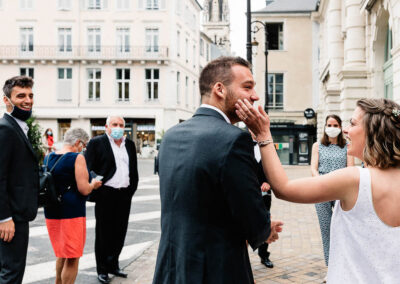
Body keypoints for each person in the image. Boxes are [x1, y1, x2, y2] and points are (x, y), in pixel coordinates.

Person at [236, 97, 400, 283]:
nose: (345, 129)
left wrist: (263, 135)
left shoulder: (355, 179)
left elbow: (284, 189)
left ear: (373, 131)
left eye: (352, 123)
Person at [153, 56, 283, 284]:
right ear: (220, 89)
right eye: (247, 87)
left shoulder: (171, 135)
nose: (255, 96)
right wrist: (265, 230)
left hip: (171, 269)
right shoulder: (234, 139)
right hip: (216, 270)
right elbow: (251, 216)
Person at [85, 116, 139, 284]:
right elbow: (87, 166)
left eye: (121, 125)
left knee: (119, 231)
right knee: (103, 233)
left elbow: (133, 169)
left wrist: (131, 189)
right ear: (107, 126)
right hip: (105, 194)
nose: (118, 127)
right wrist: (94, 182)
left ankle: (113, 265)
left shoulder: (129, 144)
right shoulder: (97, 142)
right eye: (114, 124)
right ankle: (102, 269)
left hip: (124, 194)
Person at [44, 128, 102, 284]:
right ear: (78, 142)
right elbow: (83, 189)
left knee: (62, 253)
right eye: (84, 145)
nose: (84, 149)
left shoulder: (48, 157)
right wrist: (93, 184)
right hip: (72, 213)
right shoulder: (77, 158)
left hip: (52, 211)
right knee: (72, 256)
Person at [0, 76, 39, 284]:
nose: (28, 100)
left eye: (31, 95)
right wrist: (4, 218)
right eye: (21, 96)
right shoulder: (5, 129)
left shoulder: (18, 126)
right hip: (11, 217)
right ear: (7, 100)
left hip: (17, 214)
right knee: (12, 273)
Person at [310, 115, 354, 270]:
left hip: (341, 192)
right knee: (326, 230)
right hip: (322, 191)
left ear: (341, 127)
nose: (332, 128)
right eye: (329, 125)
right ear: (325, 126)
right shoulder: (317, 146)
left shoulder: (347, 146)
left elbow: (350, 169)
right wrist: (321, 181)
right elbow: (313, 168)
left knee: (344, 229)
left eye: (335, 125)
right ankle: (331, 268)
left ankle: (344, 264)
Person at [250, 130, 274, 269]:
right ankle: (243, 259)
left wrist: (268, 182)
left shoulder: (270, 147)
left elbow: (274, 169)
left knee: (265, 222)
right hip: (248, 193)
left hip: (265, 195)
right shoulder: (242, 145)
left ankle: (264, 255)